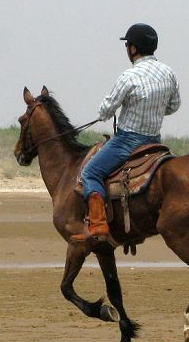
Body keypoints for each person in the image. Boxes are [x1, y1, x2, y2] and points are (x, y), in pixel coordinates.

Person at [71, 23, 181, 243]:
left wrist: (106, 113)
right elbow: (174, 106)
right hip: (155, 142)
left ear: (133, 49)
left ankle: (98, 225)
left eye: (127, 45)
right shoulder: (169, 73)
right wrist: (153, 110)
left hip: (128, 142)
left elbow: (106, 110)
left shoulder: (129, 76)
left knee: (90, 173)